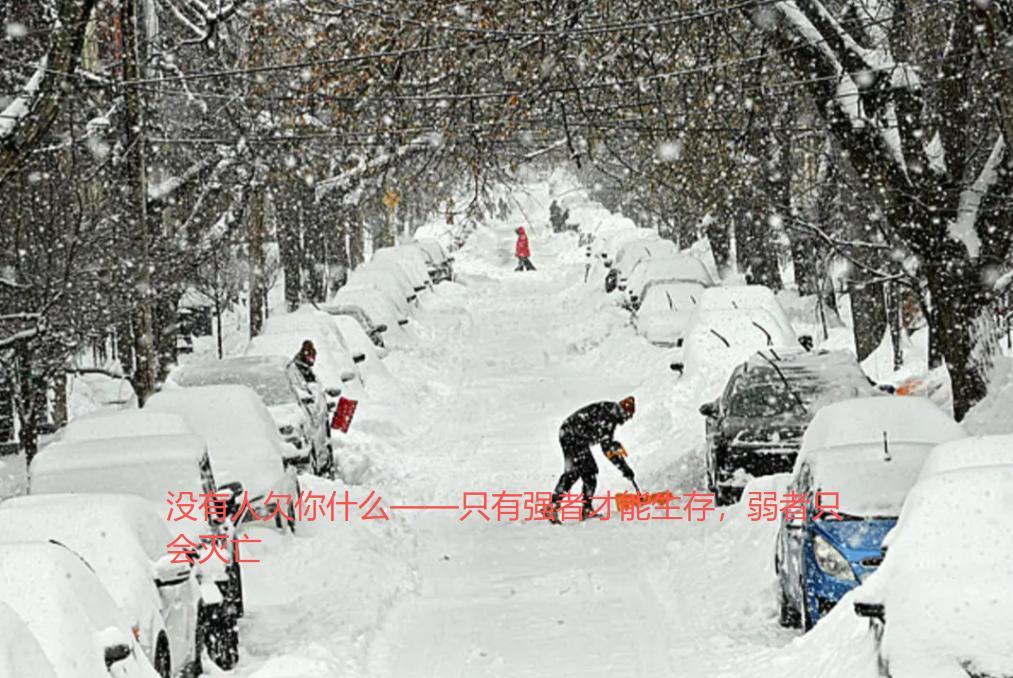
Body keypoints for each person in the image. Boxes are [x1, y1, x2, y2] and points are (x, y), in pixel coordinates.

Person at [548, 396, 637, 522]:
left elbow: (606, 443)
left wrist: (613, 447)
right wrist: (625, 469)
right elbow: (607, 448)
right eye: (628, 416)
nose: (627, 420)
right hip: (572, 436)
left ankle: (570, 507)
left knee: (580, 472)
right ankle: (560, 507)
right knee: (585, 472)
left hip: (571, 434)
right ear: (624, 412)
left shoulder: (610, 412)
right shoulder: (608, 417)